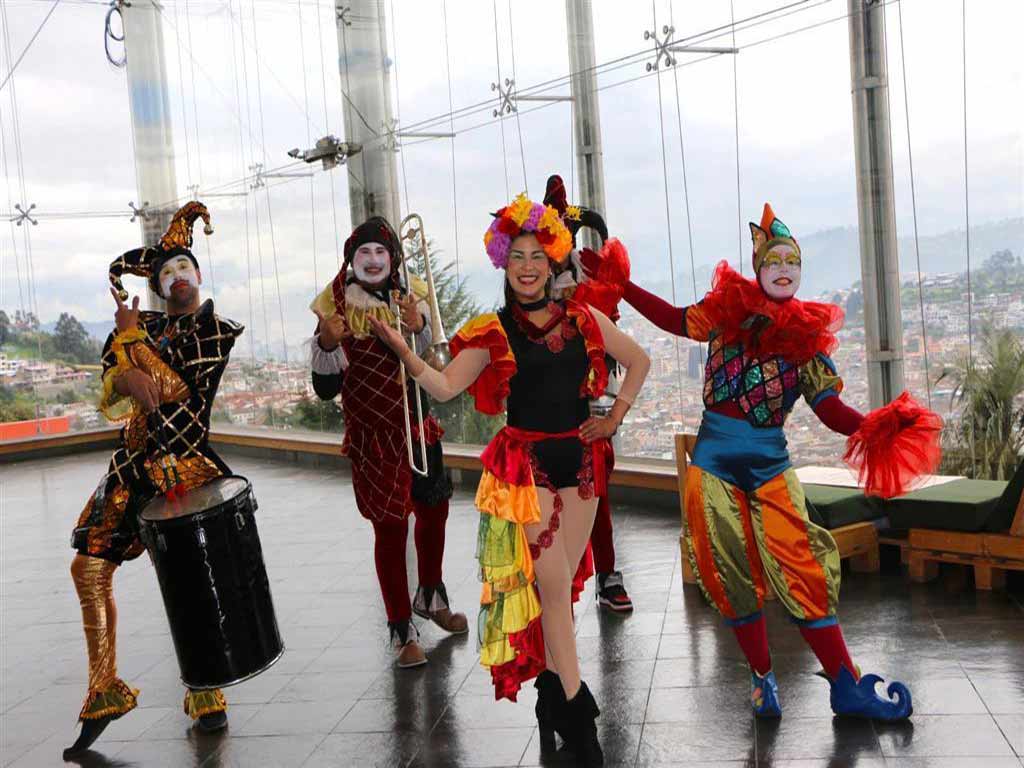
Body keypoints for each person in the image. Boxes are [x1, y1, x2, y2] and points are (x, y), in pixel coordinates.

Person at [586, 202, 940, 721]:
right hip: (713, 462)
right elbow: (673, 318)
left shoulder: (806, 338)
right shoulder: (726, 310)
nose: (782, 268)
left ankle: (845, 682)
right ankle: (761, 677)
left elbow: (829, 408)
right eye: (774, 259)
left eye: (792, 261)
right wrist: (622, 286)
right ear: (758, 267)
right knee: (731, 570)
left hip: (771, 464)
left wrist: (871, 425)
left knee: (803, 566)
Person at [368, 194, 650, 766]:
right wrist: (404, 352)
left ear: (552, 262)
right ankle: (577, 711)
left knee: (561, 595)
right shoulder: (493, 332)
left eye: (536, 255)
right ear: (505, 262)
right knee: (551, 590)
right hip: (528, 472)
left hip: (584, 467)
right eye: (516, 255)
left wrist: (614, 417)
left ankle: (550, 696)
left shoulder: (582, 318)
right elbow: (445, 388)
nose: (527, 265)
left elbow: (639, 360)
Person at [66, 202, 243, 756]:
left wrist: (134, 349)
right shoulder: (141, 325)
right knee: (88, 566)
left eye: (183, 268)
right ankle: (104, 687)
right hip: (133, 464)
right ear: (159, 286)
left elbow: (178, 393)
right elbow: (115, 387)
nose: (176, 278)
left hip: (185, 467)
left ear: (198, 274)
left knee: (190, 577)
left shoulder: (214, 330)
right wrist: (125, 371)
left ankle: (206, 689)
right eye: (166, 274)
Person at [309, 217, 466, 669]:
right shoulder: (334, 305)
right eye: (365, 254)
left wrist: (417, 325)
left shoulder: (409, 295)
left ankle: (431, 596)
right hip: (374, 435)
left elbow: (437, 361)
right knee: (391, 528)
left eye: (382, 253)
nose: (375, 261)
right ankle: (400, 626)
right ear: (352, 261)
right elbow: (323, 390)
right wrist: (325, 340)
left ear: (393, 258)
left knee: (434, 510)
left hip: (417, 426)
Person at [543, 174, 633, 612]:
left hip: (587, 402)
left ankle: (607, 572)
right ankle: (551, 580)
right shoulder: (525, 284)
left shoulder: (590, 285)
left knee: (597, 489)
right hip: (542, 412)